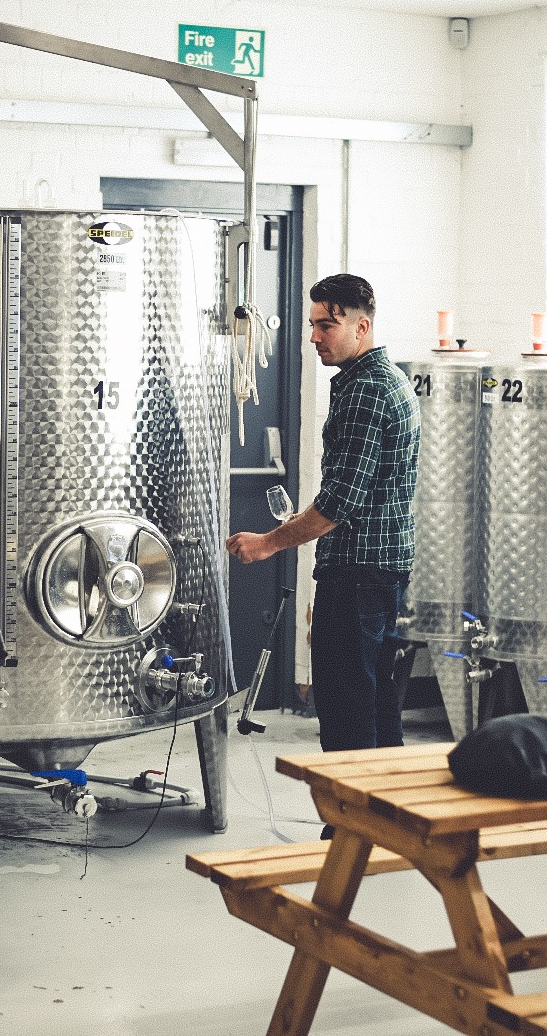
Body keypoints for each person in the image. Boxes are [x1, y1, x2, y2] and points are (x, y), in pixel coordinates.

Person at [227, 273, 421, 776]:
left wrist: (269, 543)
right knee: (377, 710)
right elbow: (360, 491)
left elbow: (340, 502)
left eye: (326, 325)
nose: (314, 337)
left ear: (362, 326)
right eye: (312, 325)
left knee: (346, 713)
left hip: (357, 575)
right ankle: (384, 827)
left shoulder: (365, 391)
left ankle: (347, 836)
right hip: (378, 570)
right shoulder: (387, 379)